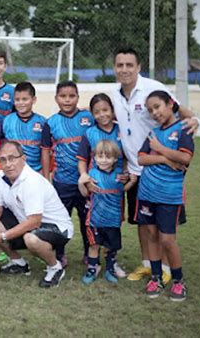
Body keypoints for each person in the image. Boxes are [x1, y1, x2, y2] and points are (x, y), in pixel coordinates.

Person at [111, 48, 199, 284]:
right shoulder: (114, 94)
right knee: (144, 223)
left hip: (162, 173)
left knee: (164, 226)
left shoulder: (152, 88)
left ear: (138, 67)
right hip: (135, 169)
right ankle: (149, 265)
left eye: (130, 65)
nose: (125, 69)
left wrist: (195, 120)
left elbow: (183, 114)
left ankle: (168, 268)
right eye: (120, 65)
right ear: (114, 68)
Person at [0, 141, 73, 288]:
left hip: (58, 228)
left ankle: (55, 267)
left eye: (12, 158)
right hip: (29, 223)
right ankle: (19, 264)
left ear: (23, 159)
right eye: (3, 159)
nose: (8, 164)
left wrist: (1, 236)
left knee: (31, 239)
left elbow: (35, 221)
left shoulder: (32, 181)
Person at [136, 90, 194, 302]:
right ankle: (156, 278)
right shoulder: (153, 132)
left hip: (169, 196)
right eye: (151, 110)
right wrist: (164, 159)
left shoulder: (182, 129)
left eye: (157, 107)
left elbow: (185, 158)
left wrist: (159, 150)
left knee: (167, 240)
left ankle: (178, 282)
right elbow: (141, 158)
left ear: (170, 104)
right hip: (146, 193)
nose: (154, 112)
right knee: (151, 234)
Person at [41, 80, 94, 267]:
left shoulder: (88, 118)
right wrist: (47, 177)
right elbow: (46, 151)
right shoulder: (51, 123)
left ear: (78, 98)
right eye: (63, 96)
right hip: (62, 182)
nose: (67, 100)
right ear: (56, 99)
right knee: (60, 220)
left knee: (87, 220)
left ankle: (89, 253)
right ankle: (60, 254)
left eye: (72, 96)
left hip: (86, 180)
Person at [76, 93, 127, 278]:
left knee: (113, 226)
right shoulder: (90, 132)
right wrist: (85, 177)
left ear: (112, 110)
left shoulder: (122, 130)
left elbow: (129, 156)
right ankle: (94, 265)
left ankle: (112, 264)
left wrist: (128, 175)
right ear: (92, 114)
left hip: (115, 188)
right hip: (96, 188)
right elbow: (82, 159)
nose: (102, 114)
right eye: (97, 112)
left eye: (105, 110)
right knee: (95, 225)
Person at [79, 140, 137, 285]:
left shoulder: (120, 175)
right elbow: (85, 193)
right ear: (94, 157)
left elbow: (121, 190)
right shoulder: (91, 173)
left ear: (115, 159)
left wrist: (131, 182)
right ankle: (92, 269)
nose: (104, 160)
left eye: (108, 157)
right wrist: (81, 182)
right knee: (94, 246)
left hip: (113, 219)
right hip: (94, 220)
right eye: (100, 156)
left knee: (111, 247)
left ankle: (110, 270)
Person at [0, 81, 46, 172]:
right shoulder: (7, 120)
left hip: (35, 172)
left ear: (34, 100)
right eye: (17, 99)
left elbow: (48, 149)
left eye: (25, 99)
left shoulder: (42, 122)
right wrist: (1, 164)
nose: (20, 103)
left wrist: (47, 170)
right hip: (12, 173)